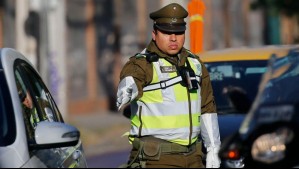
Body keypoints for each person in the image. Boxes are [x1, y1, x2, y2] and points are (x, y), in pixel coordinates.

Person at [116, 3, 221, 168]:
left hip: (194, 156)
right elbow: (133, 74)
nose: (173, 38)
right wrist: (128, 84)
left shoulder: (195, 64)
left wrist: (213, 148)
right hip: (157, 158)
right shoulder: (144, 63)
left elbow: (207, 107)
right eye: (166, 32)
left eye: (178, 32)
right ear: (154, 34)